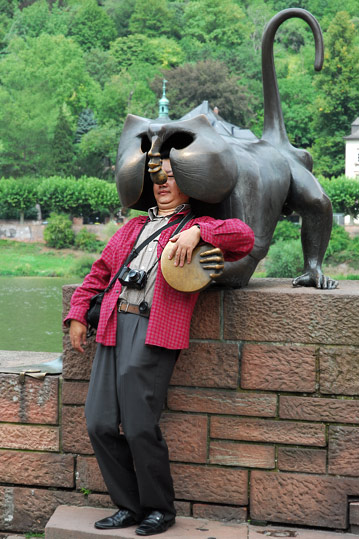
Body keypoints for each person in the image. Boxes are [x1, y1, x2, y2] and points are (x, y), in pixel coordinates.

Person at [65, 158, 254, 536]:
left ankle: (158, 509)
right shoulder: (133, 227)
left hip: (155, 330)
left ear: (188, 183)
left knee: (138, 427)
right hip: (112, 326)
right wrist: (76, 314)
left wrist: (198, 230)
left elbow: (243, 238)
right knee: (99, 422)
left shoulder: (198, 225)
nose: (163, 182)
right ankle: (129, 506)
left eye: (171, 176)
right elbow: (99, 274)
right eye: (157, 177)